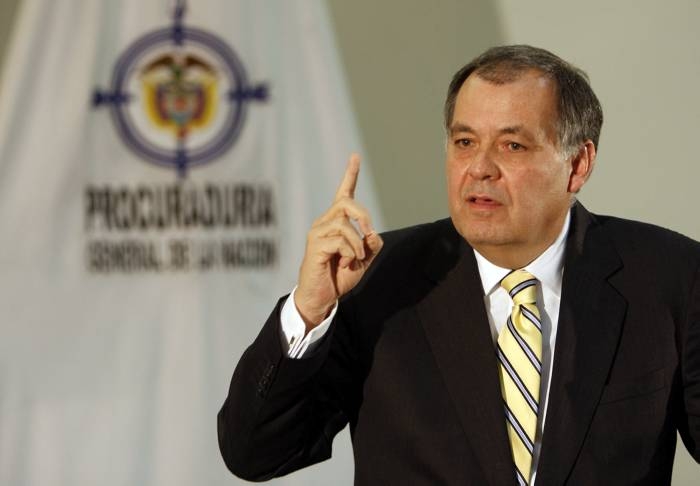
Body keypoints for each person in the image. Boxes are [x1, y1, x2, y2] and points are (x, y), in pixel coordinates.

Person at [217, 45, 700, 485]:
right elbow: (254, 454)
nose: (480, 168)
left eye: (512, 146)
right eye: (465, 142)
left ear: (578, 164)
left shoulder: (669, 278)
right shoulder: (377, 278)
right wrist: (309, 309)